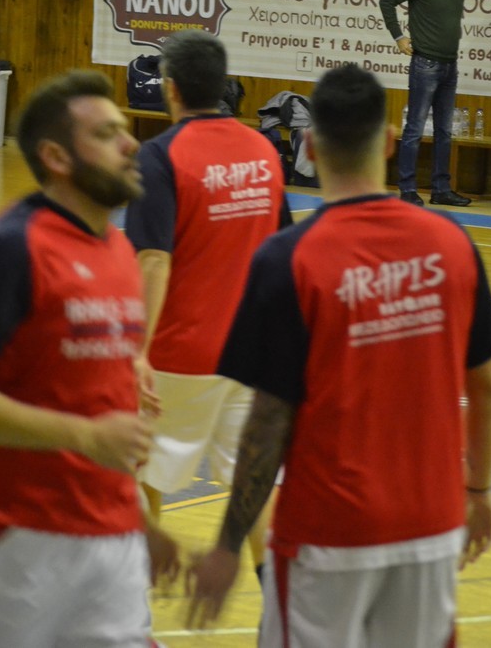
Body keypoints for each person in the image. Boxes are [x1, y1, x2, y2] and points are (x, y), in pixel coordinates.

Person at [186, 64, 491, 646]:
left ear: (308, 146)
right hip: (431, 527)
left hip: (327, 535)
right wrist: (479, 491)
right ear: (390, 142)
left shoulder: (288, 259)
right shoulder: (452, 242)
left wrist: (229, 544)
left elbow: (267, 422)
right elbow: (486, 387)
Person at [0, 70, 178, 647]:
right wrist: (83, 436)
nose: (130, 144)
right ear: (56, 156)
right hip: (14, 544)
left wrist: (140, 522)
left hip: (110, 540)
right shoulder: (15, 246)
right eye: (105, 134)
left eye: (124, 130)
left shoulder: (117, 250)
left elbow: (102, 411)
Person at [123, 29, 287, 579]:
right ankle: (282, 613)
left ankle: (133, 608)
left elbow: (154, 261)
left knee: (134, 474)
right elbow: (282, 251)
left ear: (169, 89)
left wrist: (136, 351)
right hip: (253, 353)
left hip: (181, 353)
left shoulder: (160, 156)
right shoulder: (263, 151)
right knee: (254, 485)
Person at [380, 0, 474, 208]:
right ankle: (408, 189)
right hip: (426, 64)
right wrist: (398, 36)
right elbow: (387, 0)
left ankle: (441, 189)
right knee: (414, 129)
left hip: (450, 64)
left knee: (445, 131)